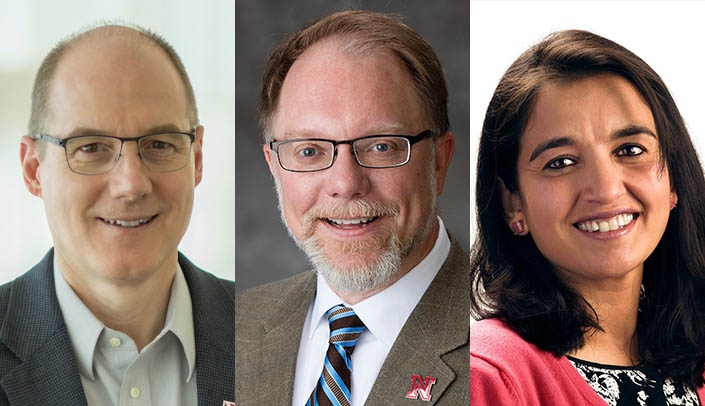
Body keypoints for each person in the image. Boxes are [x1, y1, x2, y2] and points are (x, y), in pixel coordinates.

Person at [235, 10, 469, 406]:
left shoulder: (503, 336)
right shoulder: (232, 327)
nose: (345, 184)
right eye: (309, 150)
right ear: (274, 168)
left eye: (381, 146)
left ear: (439, 161)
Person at [0, 24, 234, 405]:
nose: (130, 184)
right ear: (33, 170)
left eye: (159, 144)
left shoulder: (269, 334)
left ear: (197, 158)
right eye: (90, 147)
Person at [470, 29, 705, 405]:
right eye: (560, 162)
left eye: (630, 149)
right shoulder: (486, 377)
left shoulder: (695, 360)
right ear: (512, 202)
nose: (607, 189)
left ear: (673, 176)